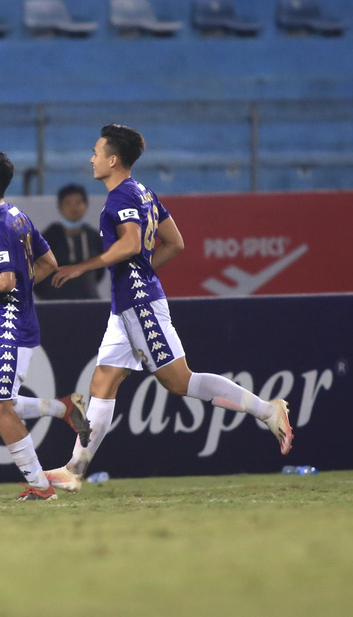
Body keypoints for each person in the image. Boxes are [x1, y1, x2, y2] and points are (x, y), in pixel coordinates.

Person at [44, 124, 294, 494]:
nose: (91, 158)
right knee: (103, 382)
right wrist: (140, 272)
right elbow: (175, 242)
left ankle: (267, 410)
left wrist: (84, 266)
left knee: (180, 381)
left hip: (139, 305)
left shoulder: (120, 199)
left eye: (96, 152)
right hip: (126, 306)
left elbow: (130, 244)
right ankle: (74, 469)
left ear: (113, 160)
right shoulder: (144, 192)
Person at [0, 147, 89, 501]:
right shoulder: (16, 216)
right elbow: (49, 262)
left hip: (11, 327)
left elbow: (7, 280)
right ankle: (62, 408)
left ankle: (41, 487)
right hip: (4, 320)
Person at [33, 183, 105, 301]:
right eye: (68, 203)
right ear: (60, 207)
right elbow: (37, 267)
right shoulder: (49, 236)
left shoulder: (94, 236)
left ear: (86, 205)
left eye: (78, 203)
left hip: (89, 301)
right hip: (55, 303)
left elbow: (99, 271)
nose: (74, 208)